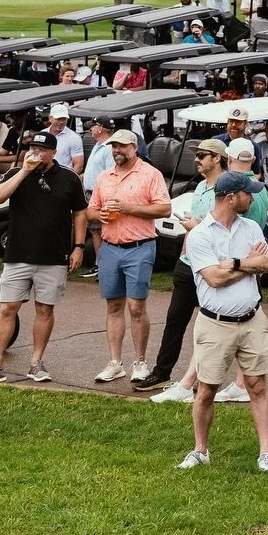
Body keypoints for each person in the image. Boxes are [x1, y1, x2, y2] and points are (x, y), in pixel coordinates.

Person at [175, 170, 268, 472]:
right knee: (206, 388)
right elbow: (214, 279)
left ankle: (266, 453)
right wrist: (250, 265)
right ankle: (200, 450)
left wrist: (234, 263)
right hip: (215, 323)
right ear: (231, 198)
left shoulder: (250, 228)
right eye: (248, 193)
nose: (253, 197)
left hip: (252, 319)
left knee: (257, 385)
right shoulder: (200, 235)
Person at [0, 131, 88, 384]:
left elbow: (80, 212)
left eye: (42, 149)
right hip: (18, 254)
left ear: (54, 153)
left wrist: (78, 246)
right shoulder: (16, 173)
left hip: (54, 255)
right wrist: (24, 171)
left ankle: (36, 363)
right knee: (7, 308)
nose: (36, 152)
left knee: (45, 309)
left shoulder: (69, 178)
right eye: (32, 147)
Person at [137, 137, 227, 395]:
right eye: (197, 155)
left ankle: (206, 378)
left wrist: (195, 227)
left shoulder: (224, 189)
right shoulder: (200, 188)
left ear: (217, 158)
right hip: (189, 263)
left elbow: (222, 228)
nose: (196, 160)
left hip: (211, 266)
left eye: (202, 155)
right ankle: (162, 372)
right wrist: (183, 256)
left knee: (212, 326)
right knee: (175, 320)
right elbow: (194, 225)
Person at [89, 128, 171, 383]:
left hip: (140, 246)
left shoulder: (150, 174)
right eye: (114, 147)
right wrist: (99, 215)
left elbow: (165, 209)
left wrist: (129, 208)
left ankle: (140, 362)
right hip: (110, 247)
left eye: (122, 147)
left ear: (135, 148)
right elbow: (90, 212)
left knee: (136, 307)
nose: (117, 151)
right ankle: (115, 362)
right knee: (113, 305)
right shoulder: (105, 177)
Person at [42, 103, 85, 174]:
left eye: (64, 119)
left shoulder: (74, 138)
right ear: (50, 118)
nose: (61, 122)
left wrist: (66, 180)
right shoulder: (43, 134)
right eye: (58, 119)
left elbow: (79, 166)